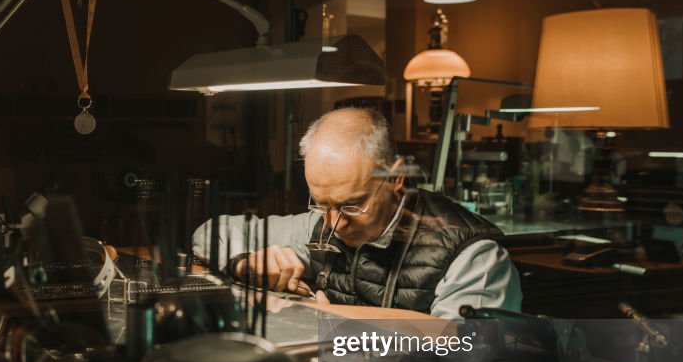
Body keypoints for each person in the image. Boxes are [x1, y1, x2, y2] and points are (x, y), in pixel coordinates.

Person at [191, 107, 521, 319]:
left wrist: (340, 327)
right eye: (322, 204)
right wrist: (244, 261)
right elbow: (210, 233)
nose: (334, 223)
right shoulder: (321, 224)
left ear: (395, 178)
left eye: (352, 205)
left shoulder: (474, 258)